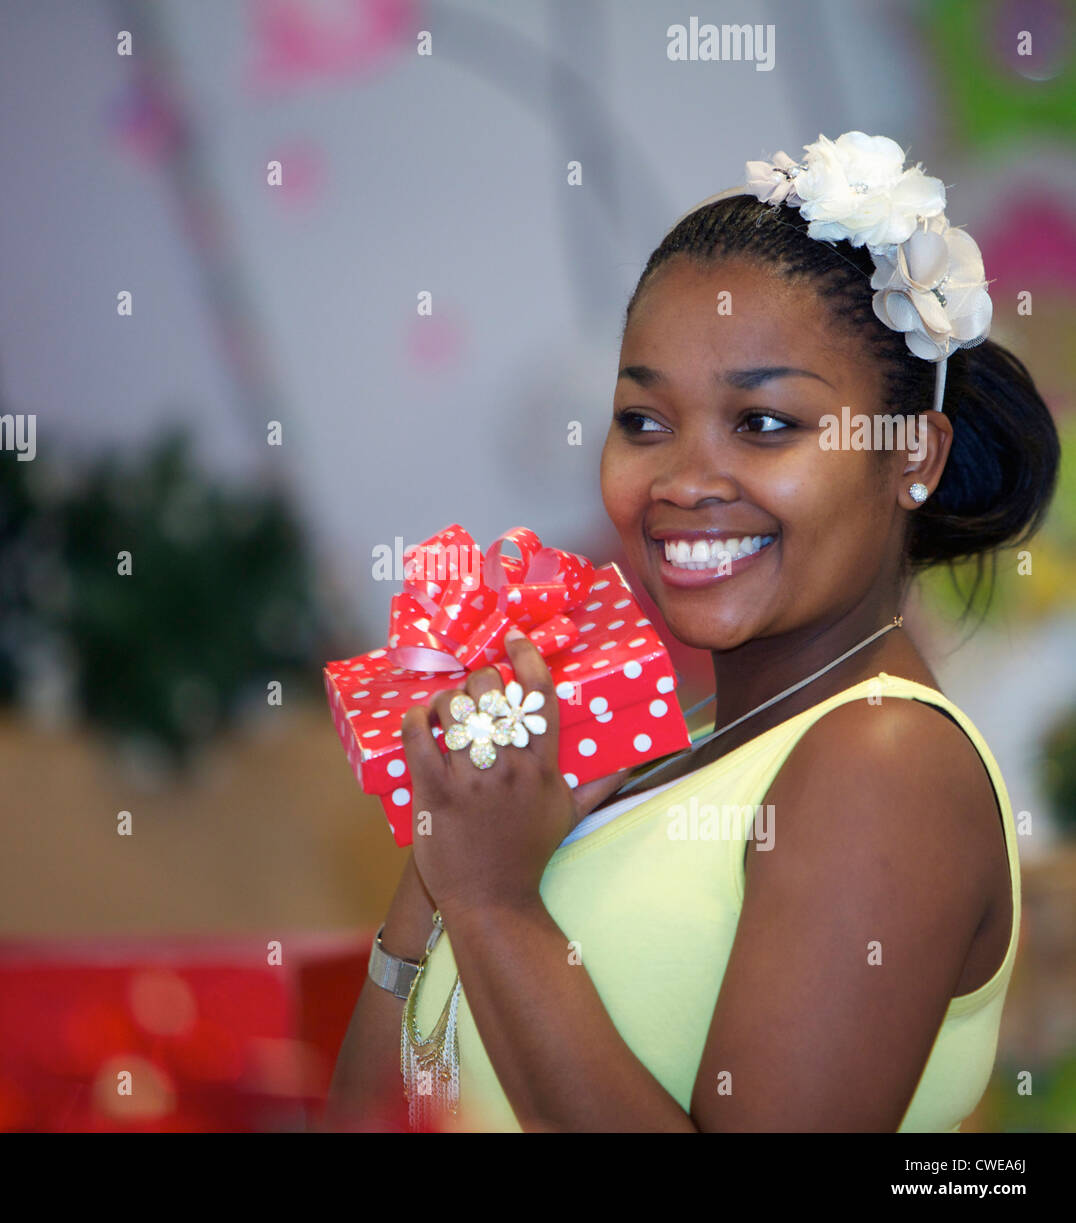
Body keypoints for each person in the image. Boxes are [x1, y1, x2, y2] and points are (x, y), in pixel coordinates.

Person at [323, 132, 1059, 1132]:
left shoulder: (882, 759)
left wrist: (497, 904)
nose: (681, 480)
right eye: (643, 419)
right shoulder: (662, 747)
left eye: (762, 424)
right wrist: (445, 859)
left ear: (910, 455)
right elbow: (375, 1109)